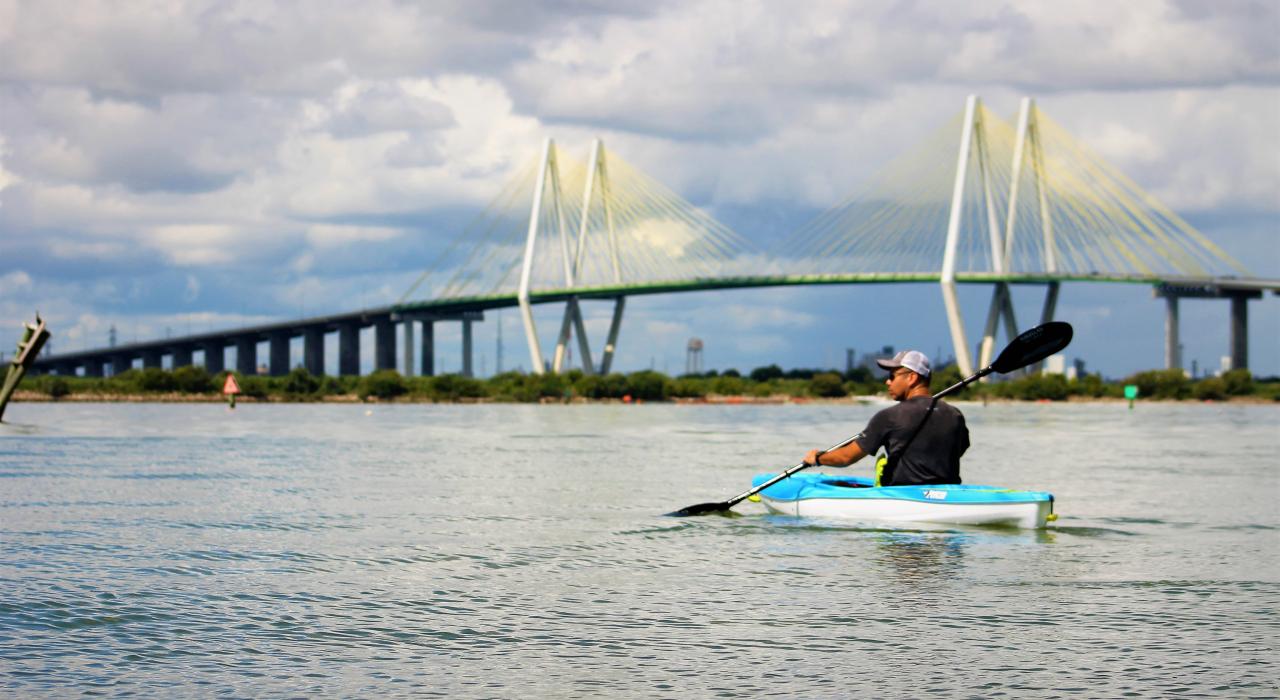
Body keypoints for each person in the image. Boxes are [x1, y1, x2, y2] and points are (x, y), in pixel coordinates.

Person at [802, 350, 968, 486]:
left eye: (892, 376)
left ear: (912, 378)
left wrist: (818, 458)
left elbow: (846, 457)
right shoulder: (955, 415)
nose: (887, 382)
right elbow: (960, 449)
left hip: (903, 498)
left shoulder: (890, 416)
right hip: (949, 494)